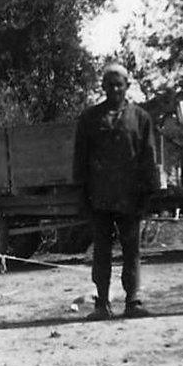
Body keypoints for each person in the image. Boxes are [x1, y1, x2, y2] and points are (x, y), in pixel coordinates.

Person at [73, 63, 158, 320]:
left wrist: (149, 193)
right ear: (103, 87)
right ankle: (102, 305)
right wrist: (82, 193)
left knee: (132, 249)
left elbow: (148, 157)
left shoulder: (140, 118)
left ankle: (133, 301)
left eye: (119, 84)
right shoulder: (89, 118)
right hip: (99, 197)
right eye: (109, 85)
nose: (114, 89)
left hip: (130, 196)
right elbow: (80, 159)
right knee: (101, 250)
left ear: (127, 86)